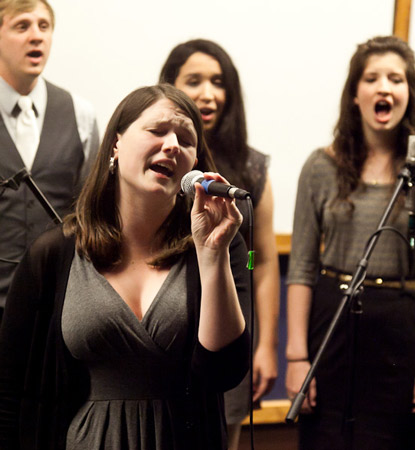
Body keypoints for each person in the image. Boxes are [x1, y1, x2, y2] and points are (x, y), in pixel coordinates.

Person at [0, 84, 251, 449]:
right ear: (116, 143)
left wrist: (212, 257)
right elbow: (8, 386)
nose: (172, 144)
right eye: (157, 130)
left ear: (193, 166)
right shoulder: (54, 253)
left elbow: (223, 373)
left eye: (185, 139)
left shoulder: (218, 243)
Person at [285, 35, 415, 450]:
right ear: (354, 94)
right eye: (372, 78)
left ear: (408, 94)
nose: (384, 87)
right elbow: (302, 266)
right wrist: (296, 357)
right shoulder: (321, 166)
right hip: (333, 318)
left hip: (403, 323)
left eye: (396, 79)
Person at [160, 39, 280, 448]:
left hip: (230, 330)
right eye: (194, 81)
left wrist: (265, 347)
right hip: (168, 333)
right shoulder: (156, 166)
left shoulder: (251, 169)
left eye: (218, 81)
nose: (208, 93)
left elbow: (260, 264)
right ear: (170, 86)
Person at [0, 0, 99, 321]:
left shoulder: (80, 114)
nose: (36, 36)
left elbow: (92, 211)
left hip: (58, 307)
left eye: (44, 26)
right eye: (22, 25)